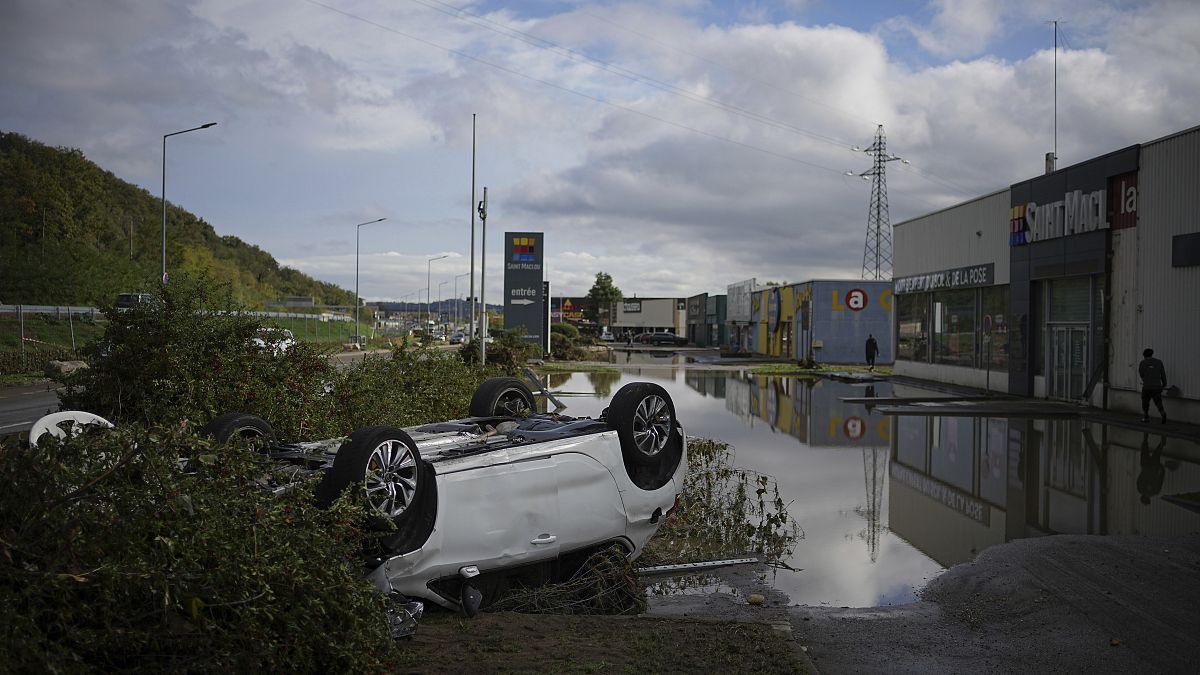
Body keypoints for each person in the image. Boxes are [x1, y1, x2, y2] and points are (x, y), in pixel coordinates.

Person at [1138, 348, 1168, 424]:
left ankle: (1146, 417)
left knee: (1145, 402)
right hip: (1157, 386)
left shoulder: (1142, 363)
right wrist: (1164, 384)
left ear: (1144, 356)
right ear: (1152, 354)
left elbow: (1141, 374)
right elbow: (1163, 374)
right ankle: (1162, 413)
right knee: (1158, 402)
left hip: (1147, 386)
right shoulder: (1159, 362)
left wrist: (1146, 379)